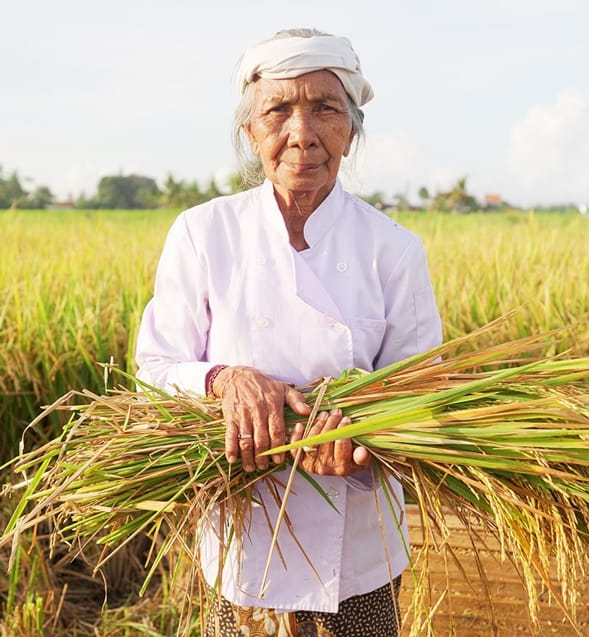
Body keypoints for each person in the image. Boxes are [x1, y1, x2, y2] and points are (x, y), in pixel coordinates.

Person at [134, 28, 443, 637]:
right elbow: (156, 371)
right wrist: (224, 380)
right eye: (278, 110)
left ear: (350, 130)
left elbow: (423, 393)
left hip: (357, 551)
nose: (301, 132)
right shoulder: (204, 234)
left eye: (325, 108)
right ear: (251, 133)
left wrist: (362, 421)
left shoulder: (394, 250)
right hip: (244, 541)